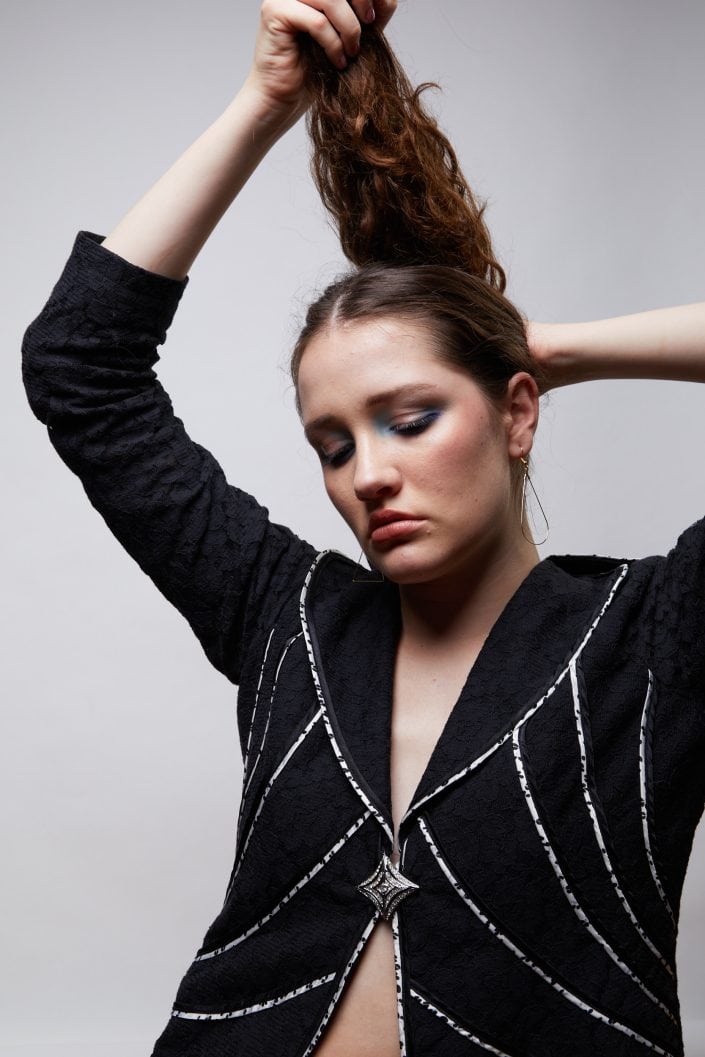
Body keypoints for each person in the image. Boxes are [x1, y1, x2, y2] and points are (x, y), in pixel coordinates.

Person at [21, 2, 705, 1055]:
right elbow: (79, 363)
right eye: (332, 445)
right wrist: (265, 103)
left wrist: (549, 346)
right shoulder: (286, 614)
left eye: (411, 418)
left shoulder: (653, 633)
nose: (369, 474)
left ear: (516, 414)